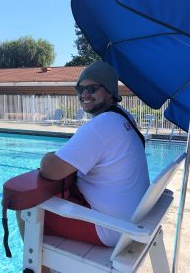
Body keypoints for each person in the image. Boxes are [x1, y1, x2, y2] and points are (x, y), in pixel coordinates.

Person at [18, 60, 149, 248]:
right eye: (80, 89)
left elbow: (50, 170)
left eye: (93, 88)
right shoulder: (124, 117)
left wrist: (48, 156)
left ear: (110, 91)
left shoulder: (101, 126)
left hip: (112, 228)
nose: (84, 94)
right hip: (134, 215)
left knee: (26, 208)